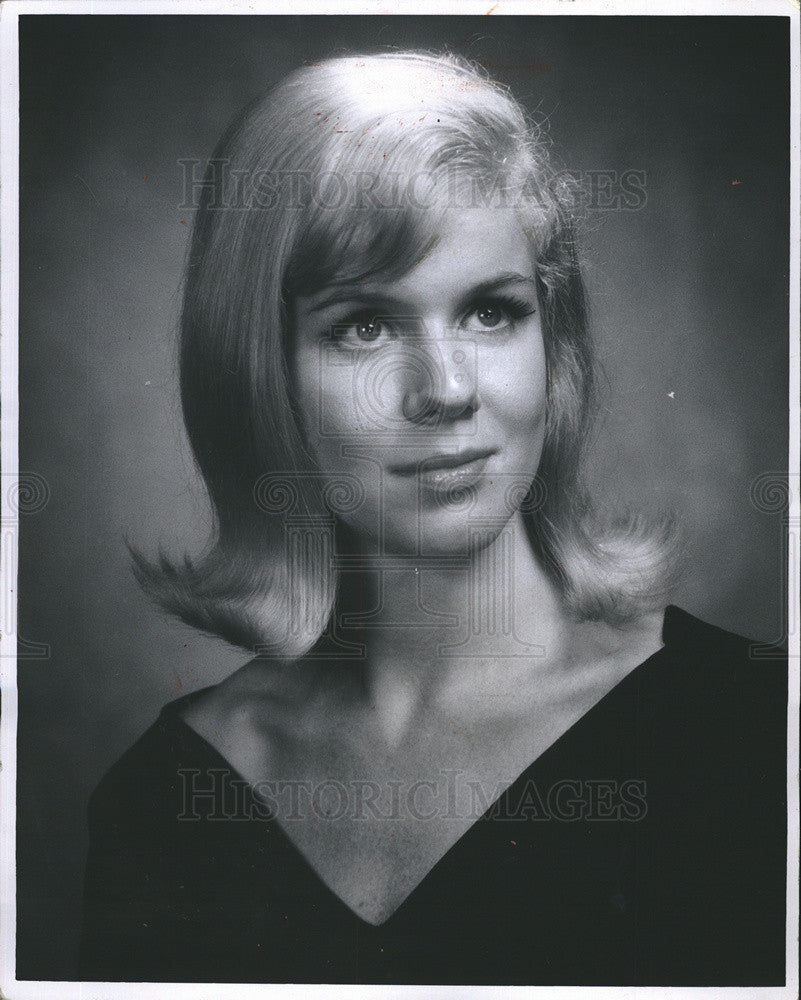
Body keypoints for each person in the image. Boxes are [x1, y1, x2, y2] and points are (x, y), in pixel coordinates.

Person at [78, 51, 787, 985]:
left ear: (554, 343)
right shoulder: (165, 800)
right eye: (363, 326)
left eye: (491, 312)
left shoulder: (758, 735)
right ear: (260, 375)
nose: (445, 391)